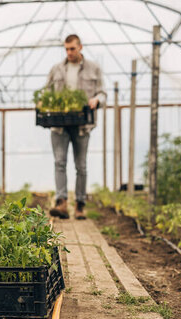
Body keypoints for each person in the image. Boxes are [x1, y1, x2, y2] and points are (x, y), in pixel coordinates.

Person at [46, 34, 106, 219]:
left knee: (81, 165)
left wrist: (96, 100)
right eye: (66, 49)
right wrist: (46, 103)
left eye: (72, 48)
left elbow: (103, 93)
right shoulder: (56, 69)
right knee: (59, 162)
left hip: (82, 125)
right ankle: (61, 202)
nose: (69, 52)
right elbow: (47, 92)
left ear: (80, 47)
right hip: (59, 125)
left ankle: (80, 205)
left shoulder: (93, 68)